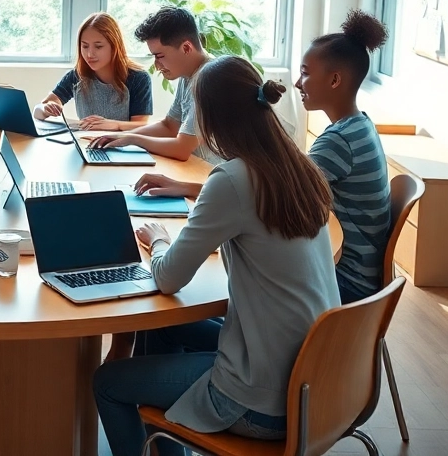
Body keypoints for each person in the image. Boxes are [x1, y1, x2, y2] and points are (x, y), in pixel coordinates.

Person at [92, 56, 339, 456]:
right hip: (312, 379)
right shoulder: (297, 166)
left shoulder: (232, 180)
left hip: (261, 398)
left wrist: (157, 240)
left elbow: (169, 278)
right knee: (160, 327)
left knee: (108, 382)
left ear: (209, 118)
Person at [296, 9, 392, 304]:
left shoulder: (339, 141)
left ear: (335, 80)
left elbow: (279, 189)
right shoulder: (359, 125)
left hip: (347, 283)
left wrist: (193, 189)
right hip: (361, 278)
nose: (298, 83)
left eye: (305, 73)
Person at [91, 6, 220, 173]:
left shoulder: (209, 79)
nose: (156, 65)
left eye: (159, 56)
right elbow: (169, 126)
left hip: (215, 179)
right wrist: (121, 137)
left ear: (186, 48)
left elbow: (181, 149)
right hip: (198, 171)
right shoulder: (188, 74)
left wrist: (132, 139)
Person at [33, 12, 153, 131]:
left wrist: (113, 125)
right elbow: (37, 112)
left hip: (122, 147)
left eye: (98, 46)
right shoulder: (76, 76)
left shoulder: (138, 78)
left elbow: (141, 125)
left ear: (114, 46)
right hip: (85, 143)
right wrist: (46, 109)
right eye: (85, 46)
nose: (90, 54)